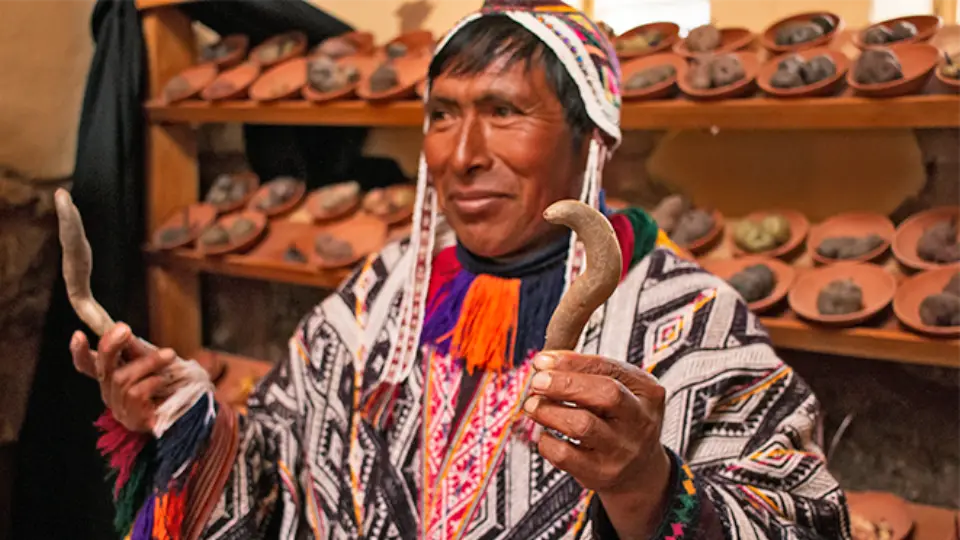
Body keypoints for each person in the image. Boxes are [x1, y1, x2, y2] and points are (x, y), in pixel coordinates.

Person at [69, 1, 851, 538]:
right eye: (443, 114)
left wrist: (650, 487)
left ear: (590, 140)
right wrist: (182, 416)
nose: (461, 155)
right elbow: (279, 469)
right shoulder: (379, 297)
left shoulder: (694, 321)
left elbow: (804, 517)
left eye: (505, 111)